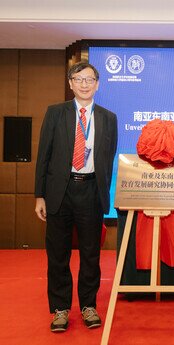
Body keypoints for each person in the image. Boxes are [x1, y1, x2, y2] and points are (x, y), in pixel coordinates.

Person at [35, 61, 118, 332]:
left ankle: (88, 305)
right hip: (60, 191)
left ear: (98, 84)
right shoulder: (55, 113)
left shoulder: (108, 117)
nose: (84, 84)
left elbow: (108, 157)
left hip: (91, 191)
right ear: (70, 83)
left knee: (91, 254)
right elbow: (43, 157)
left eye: (89, 79)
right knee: (58, 254)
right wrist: (40, 196)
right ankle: (60, 309)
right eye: (78, 79)